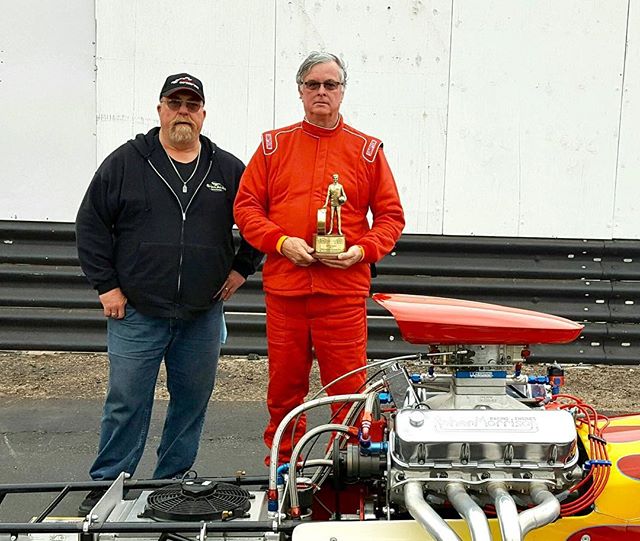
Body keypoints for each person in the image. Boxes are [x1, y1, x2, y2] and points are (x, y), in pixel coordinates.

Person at [75, 72, 261, 513]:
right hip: (136, 311)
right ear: (159, 109)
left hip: (202, 314)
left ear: (203, 114)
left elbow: (258, 221)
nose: (183, 111)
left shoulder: (228, 169)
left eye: (191, 105)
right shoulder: (126, 162)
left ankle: (173, 483)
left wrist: (241, 269)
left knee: (191, 404)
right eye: (174, 103)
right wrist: (107, 287)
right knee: (126, 403)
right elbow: (91, 224)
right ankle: (108, 485)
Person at [233, 52, 405, 465]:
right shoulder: (274, 147)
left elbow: (391, 217)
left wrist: (362, 250)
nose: (322, 92)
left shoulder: (366, 151)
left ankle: (344, 473)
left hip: (342, 293)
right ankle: (281, 469)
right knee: (284, 392)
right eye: (313, 84)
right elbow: (246, 207)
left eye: (331, 84)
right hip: (287, 290)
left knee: (347, 390)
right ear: (300, 91)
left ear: (343, 91)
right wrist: (279, 242)